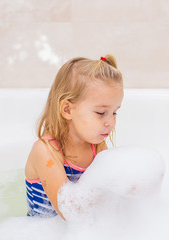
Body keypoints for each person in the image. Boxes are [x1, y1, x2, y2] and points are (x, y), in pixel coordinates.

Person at [25, 55, 124, 220]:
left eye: (114, 112)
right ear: (67, 110)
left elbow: (111, 189)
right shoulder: (45, 151)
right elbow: (68, 211)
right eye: (101, 113)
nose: (111, 122)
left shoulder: (96, 144)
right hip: (41, 231)